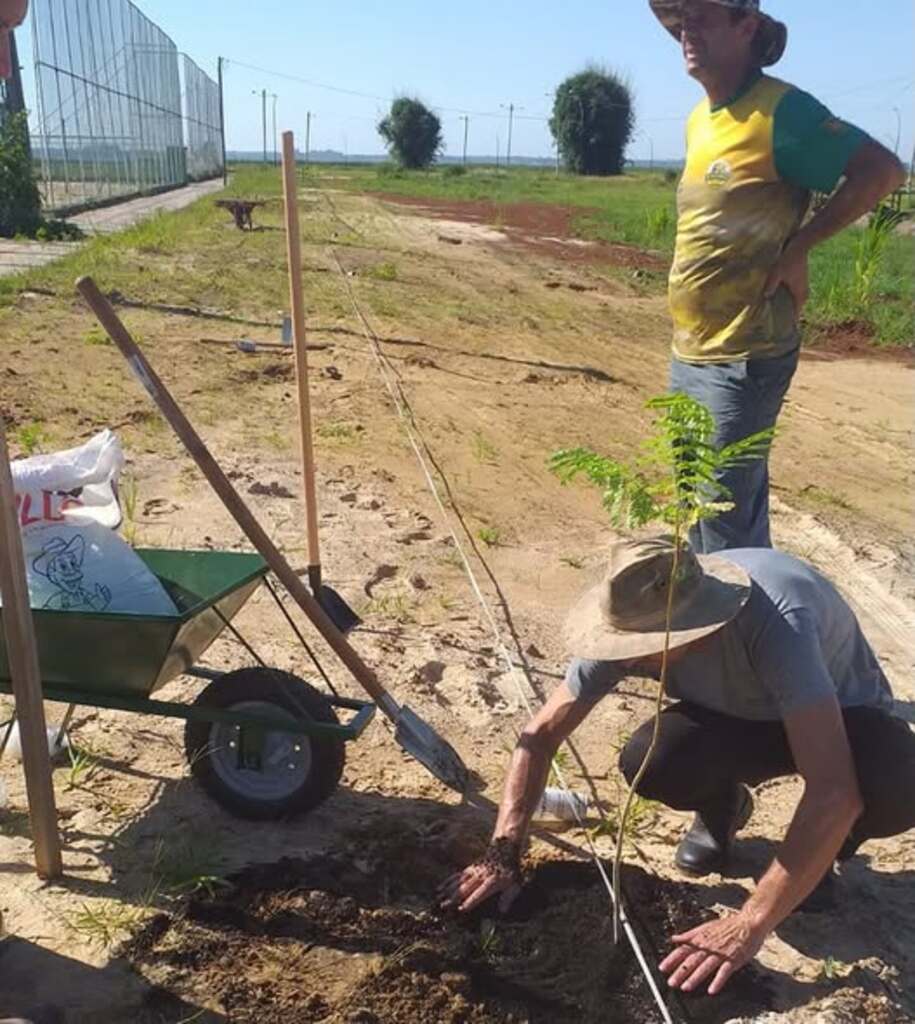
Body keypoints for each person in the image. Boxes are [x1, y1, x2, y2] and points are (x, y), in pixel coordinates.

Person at [440, 536, 915, 996]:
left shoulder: (778, 622)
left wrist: (748, 923)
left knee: (896, 782)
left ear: (692, 623)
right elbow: (540, 734)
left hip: (842, 717)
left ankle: (827, 850)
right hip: (734, 716)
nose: (631, 659)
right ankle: (722, 807)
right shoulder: (633, 615)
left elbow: (833, 789)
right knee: (655, 759)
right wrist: (504, 847)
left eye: (646, 646)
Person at [649, 0, 905, 554]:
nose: (687, 31)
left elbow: (882, 171)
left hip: (745, 353)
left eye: (703, 17)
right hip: (690, 349)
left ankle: (747, 610)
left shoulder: (781, 112)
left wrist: (800, 246)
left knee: (724, 527)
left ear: (747, 27)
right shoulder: (700, 119)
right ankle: (721, 606)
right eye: (682, 20)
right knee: (697, 509)